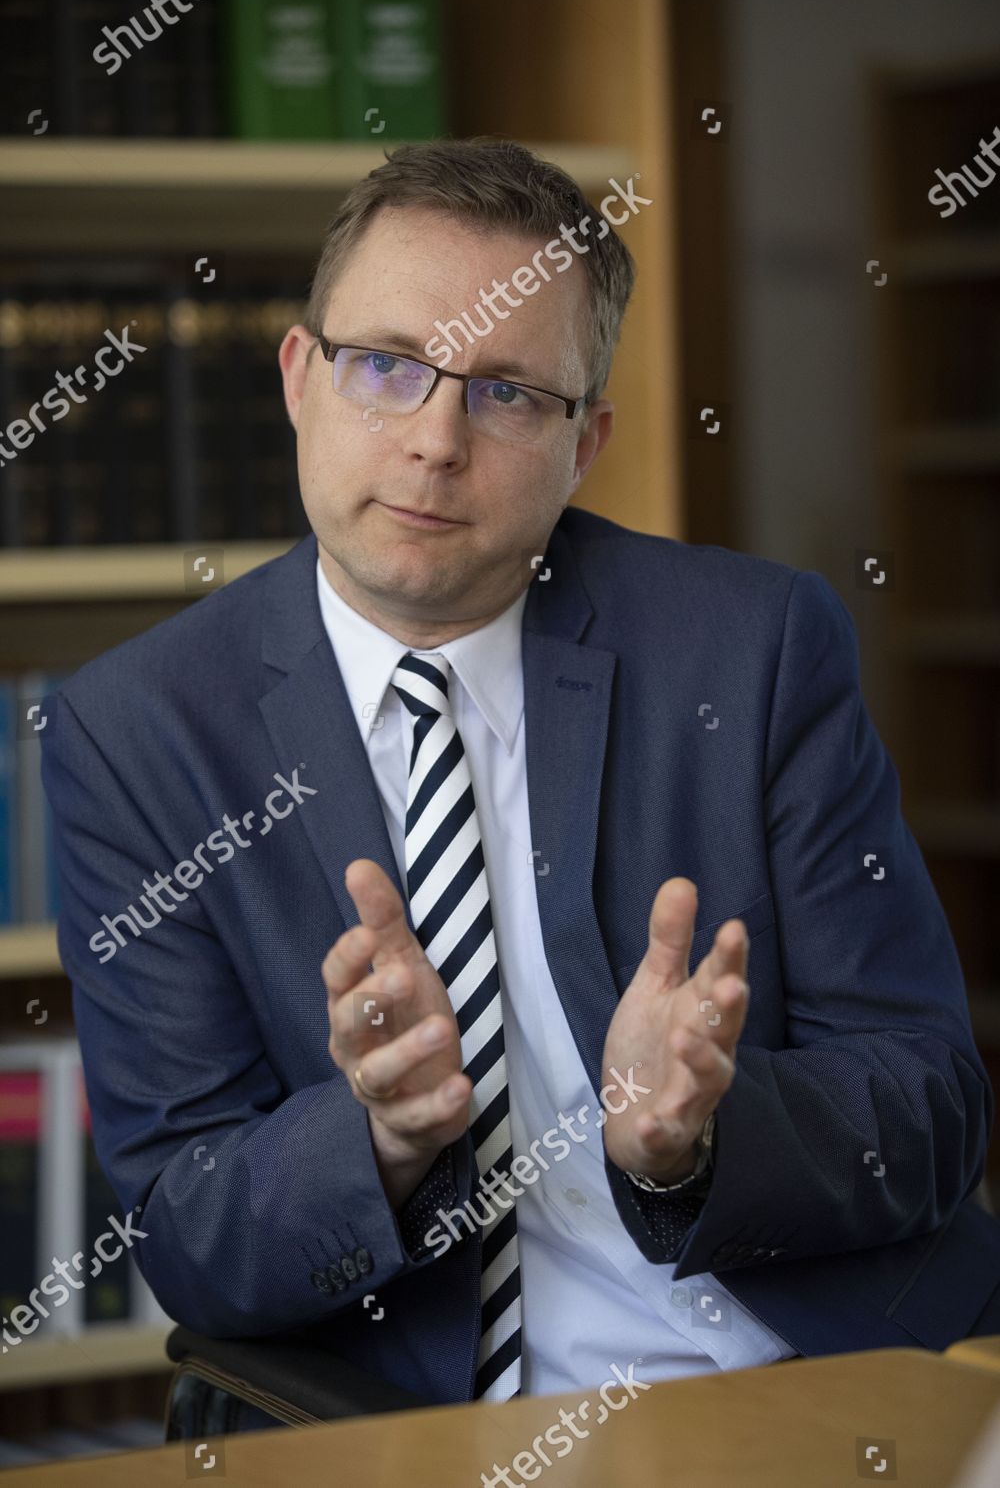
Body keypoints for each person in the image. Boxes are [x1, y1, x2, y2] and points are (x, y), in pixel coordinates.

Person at [42, 137, 1000, 1410]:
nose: (435, 440)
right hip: (434, 1430)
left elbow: (932, 1105)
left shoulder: (751, 648)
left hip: (806, 1386)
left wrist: (696, 1140)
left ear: (585, 440)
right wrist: (378, 1139)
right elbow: (185, 1235)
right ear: (297, 379)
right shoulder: (136, 732)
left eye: (504, 394)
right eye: (385, 367)